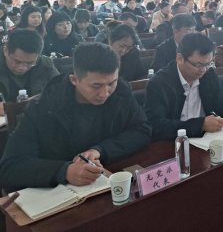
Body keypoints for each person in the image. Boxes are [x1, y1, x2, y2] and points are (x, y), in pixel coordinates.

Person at [0, 42, 151, 190]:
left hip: (107, 182)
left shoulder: (120, 93)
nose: (105, 93)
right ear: (74, 80)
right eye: (96, 86)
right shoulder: (44, 107)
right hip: (62, 194)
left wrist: (100, 150)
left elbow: (142, 130)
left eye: (111, 83)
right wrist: (63, 171)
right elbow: (10, 168)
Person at [146, 33, 223, 140]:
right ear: (180, 58)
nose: (204, 70)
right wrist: (201, 125)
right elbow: (156, 125)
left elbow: (222, 102)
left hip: (207, 139)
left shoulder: (208, 74)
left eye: (208, 64)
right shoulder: (159, 83)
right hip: (174, 142)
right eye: (198, 65)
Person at [0, 29, 59, 107]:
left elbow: (61, 89)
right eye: (17, 62)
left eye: (30, 63)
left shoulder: (45, 64)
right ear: (5, 51)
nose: (22, 68)